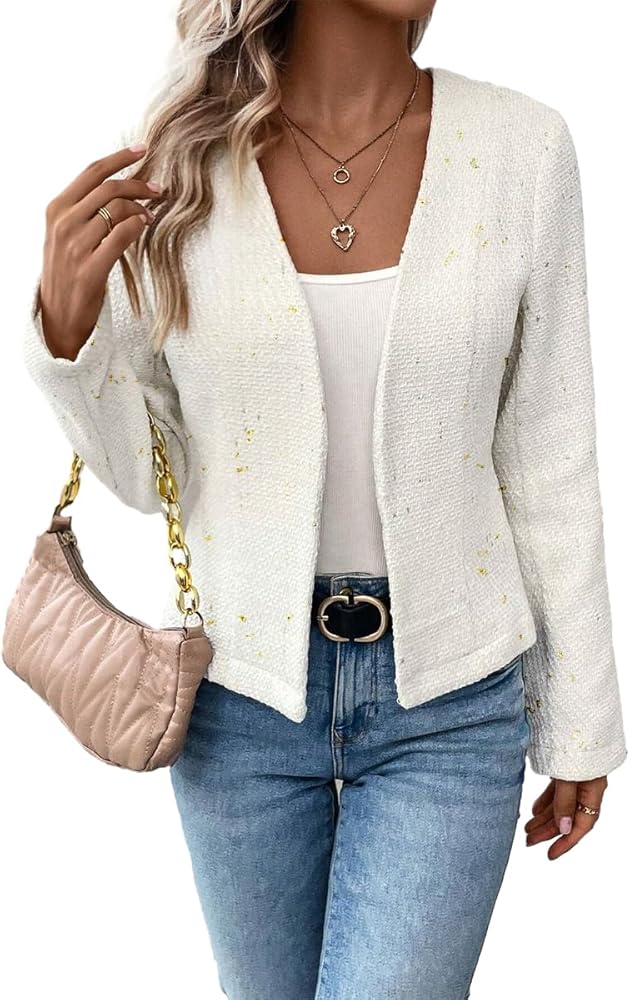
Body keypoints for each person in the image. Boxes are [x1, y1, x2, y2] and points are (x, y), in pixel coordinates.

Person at [22, 1, 627, 997]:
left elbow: (550, 456)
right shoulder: (176, 160)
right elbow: (144, 476)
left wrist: (582, 717)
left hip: (452, 702)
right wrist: (66, 334)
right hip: (238, 700)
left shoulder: (523, 151)